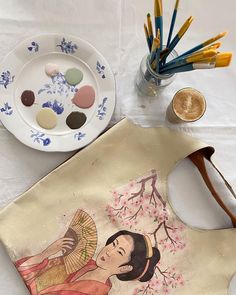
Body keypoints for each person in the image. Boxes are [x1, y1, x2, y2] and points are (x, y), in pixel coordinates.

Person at [16, 230, 161, 295]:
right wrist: (46, 253)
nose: (109, 251)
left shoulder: (97, 292)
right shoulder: (82, 262)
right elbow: (21, 272)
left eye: (120, 252)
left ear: (125, 268)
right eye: (114, 244)